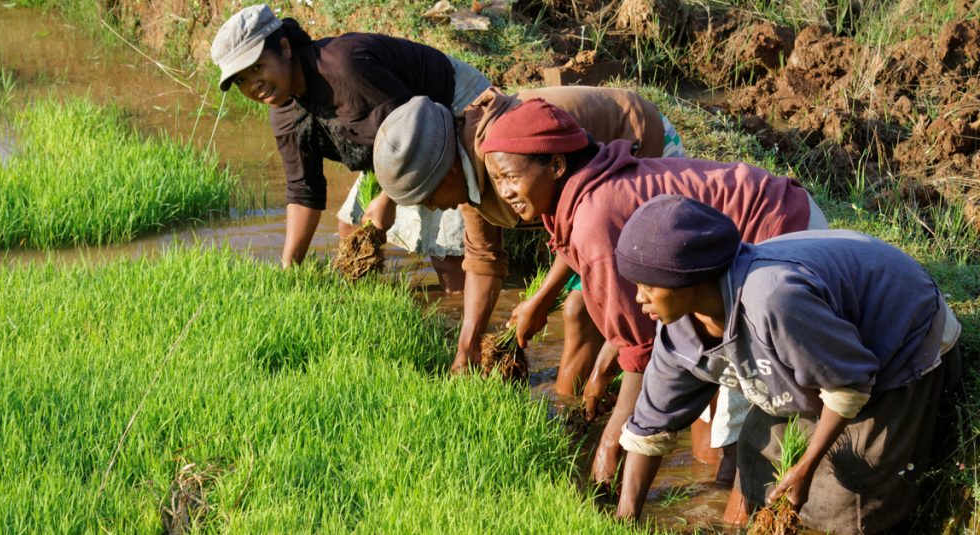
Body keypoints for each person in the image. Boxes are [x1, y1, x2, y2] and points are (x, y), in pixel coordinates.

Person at [475, 99, 829, 489]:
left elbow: (643, 351)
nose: (504, 191)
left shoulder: (595, 217)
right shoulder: (582, 197)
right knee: (707, 403)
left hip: (779, 234)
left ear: (557, 166)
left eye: (510, 177)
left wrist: (614, 437)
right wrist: (591, 352)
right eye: (496, 181)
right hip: (759, 230)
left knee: (741, 428)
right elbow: (611, 295)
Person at [612, 195, 962, 533]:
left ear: (692, 279)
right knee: (755, 447)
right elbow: (651, 428)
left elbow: (850, 383)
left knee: (849, 487)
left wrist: (806, 467)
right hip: (819, 347)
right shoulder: (676, 331)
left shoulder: (773, 299)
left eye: (649, 286)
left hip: (899, 336)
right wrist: (624, 522)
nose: (639, 298)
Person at [372, 86, 686, 399]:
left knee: (581, 307)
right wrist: (467, 348)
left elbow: (584, 225)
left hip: (640, 149)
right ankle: (579, 398)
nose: (429, 207)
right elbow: (484, 259)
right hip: (581, 203)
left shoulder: (509, 151)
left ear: (449, 170)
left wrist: (540, 300)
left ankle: (571, 407)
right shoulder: (472, 168)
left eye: (427, 196)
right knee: (582, 305)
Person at [210, 4, 490, 290]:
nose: (253, 85)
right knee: (350, 229)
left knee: (449, 260)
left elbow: (414, 135)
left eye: (257, 67)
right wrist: (288, 270)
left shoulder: (345, 71)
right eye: (241, 80)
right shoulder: (284, 111)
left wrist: (388, 200)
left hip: (452, 109)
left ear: (285, 47)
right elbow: (303, 189)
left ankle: (462, 314)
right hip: (395, 135)